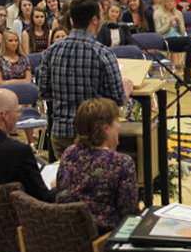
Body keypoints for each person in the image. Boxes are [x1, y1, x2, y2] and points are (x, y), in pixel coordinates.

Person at [38, 0, 133, 158]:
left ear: (72, 20)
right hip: (96, 137)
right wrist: (127, 89)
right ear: (95, 20)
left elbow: (44, 92)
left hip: (62, 134)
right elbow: (117, 100)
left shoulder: (52, 51)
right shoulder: (103, 53)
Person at [55, 98, 139, 233]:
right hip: (103, 240)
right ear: (106, 128)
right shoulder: (122, 162)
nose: (119, 126)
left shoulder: (69, 154)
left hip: (66, 235)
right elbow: (129, 214)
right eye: (117, 121)